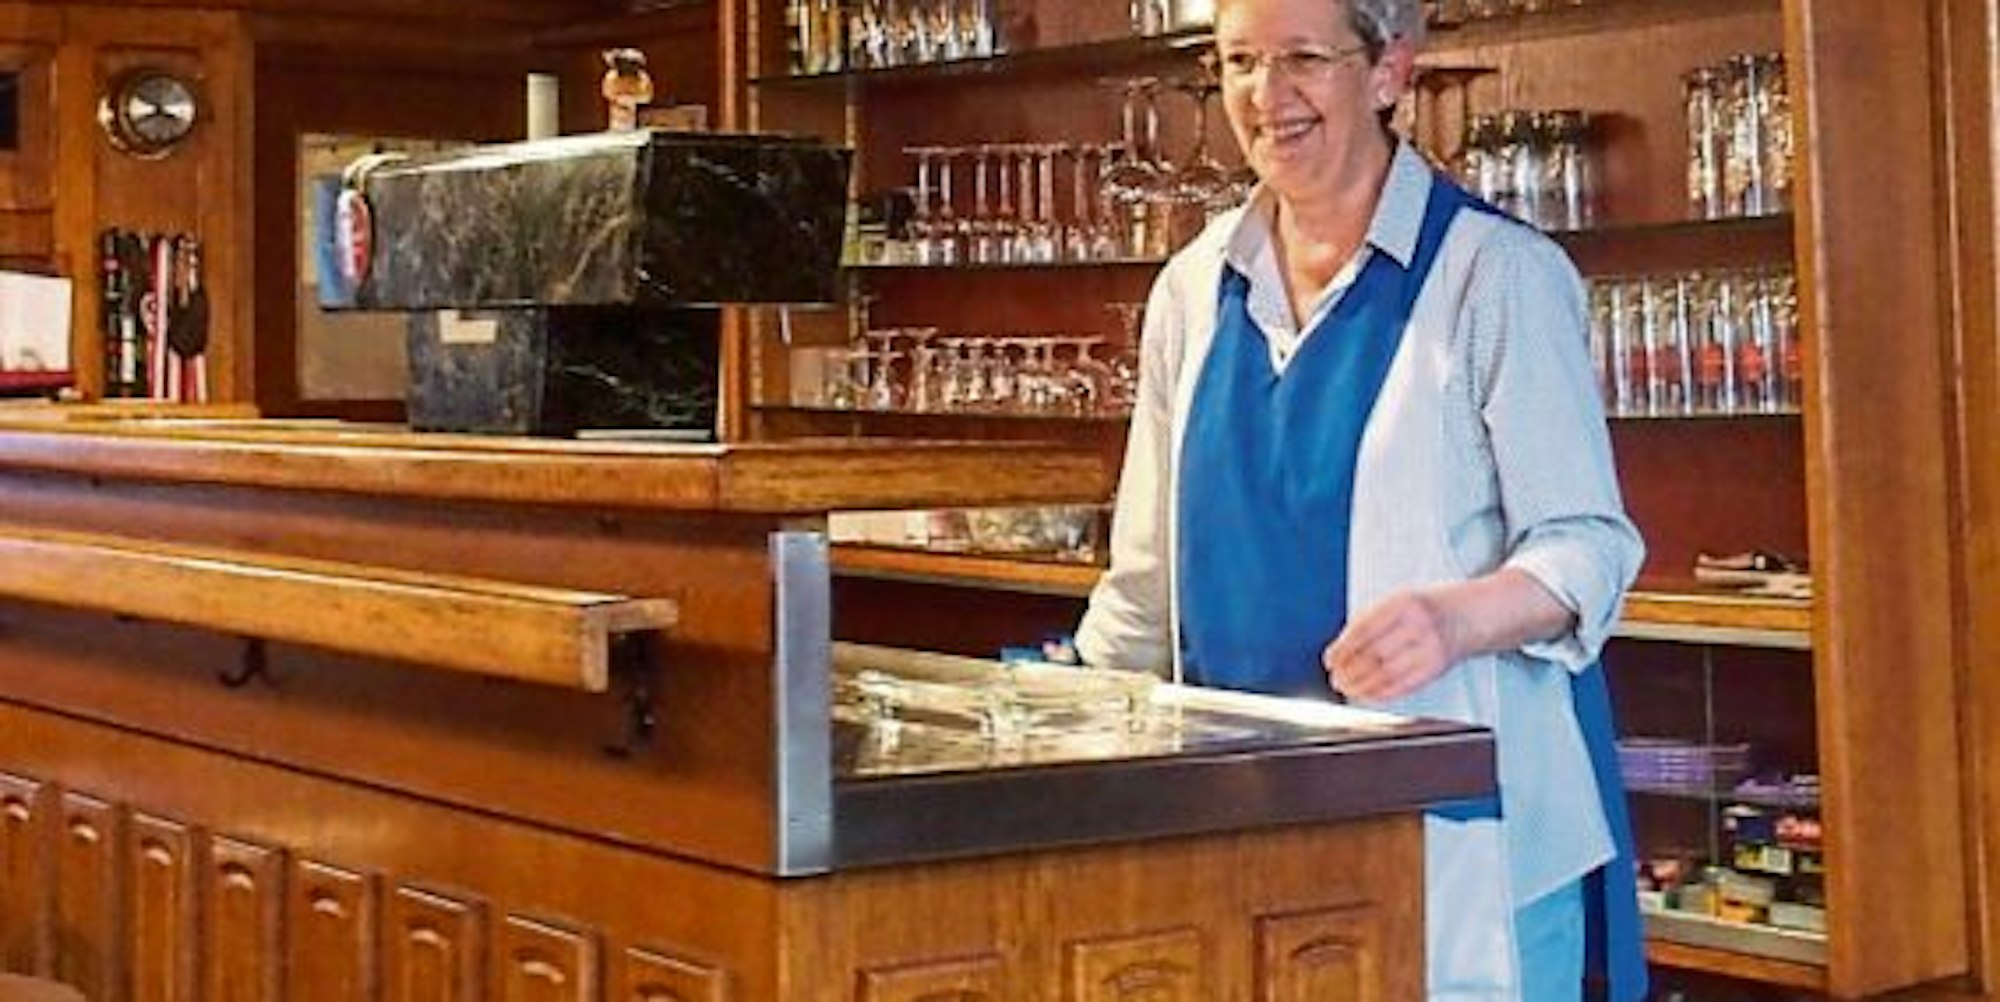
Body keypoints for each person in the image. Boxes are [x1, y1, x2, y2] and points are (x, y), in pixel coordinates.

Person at [1073, 0, 1647, 998]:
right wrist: (1066, 729)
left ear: (1388, 71)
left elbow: (1588, 548)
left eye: (1303, 57)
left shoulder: (1494, 276)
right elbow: (1145, 581)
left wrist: (1453, 619)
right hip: (1240, 824)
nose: (1266, 95)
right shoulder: (1190, 289)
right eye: (1238, 62)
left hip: (1460, 843)